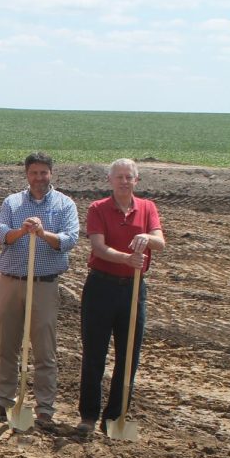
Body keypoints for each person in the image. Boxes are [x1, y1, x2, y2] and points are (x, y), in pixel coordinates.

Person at [0, 152, 79, 432]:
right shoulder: (13, 202)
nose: (39, 178)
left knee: (44, 350)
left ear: (51, 174)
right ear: (27, 174)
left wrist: (43, 233)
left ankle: (44, 410)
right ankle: (4, 401)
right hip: (11, 281)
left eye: (44, 173)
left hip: (44, 285)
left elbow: (69, 239)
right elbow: (0, 233)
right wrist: (22, 232)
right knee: (7, 345)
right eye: (34, 173)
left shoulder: (64, 205)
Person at [77, 159, 166, 438]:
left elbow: (160, 241)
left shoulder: (148, 208)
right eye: (119, 177)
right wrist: (128, 258)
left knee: (129, 356)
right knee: (94, 353)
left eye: (129, 177)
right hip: (101, 287)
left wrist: (147, 238)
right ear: (110, 180)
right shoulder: (98, 208)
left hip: (133, 289)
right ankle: (89, 416)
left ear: (136, 181)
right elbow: (99, 248)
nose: (124, 181)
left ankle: (115, 417)